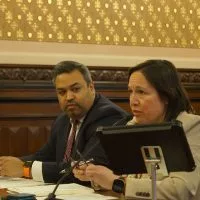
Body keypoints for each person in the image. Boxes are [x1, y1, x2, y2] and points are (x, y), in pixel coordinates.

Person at [73, 60, 200, 200]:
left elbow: (180, 191)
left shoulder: (192, 127)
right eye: (130, 91)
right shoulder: (133, 126)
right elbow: (125, 178)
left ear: (166, 96)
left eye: (141, 92)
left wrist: (117, 183)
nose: (133, 101)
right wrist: (95, 176)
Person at [0, 61, 128, 184]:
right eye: (62, 92)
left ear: (91, 87)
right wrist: (7, 165)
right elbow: (44, 155)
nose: (69, 97)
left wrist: (25, 169)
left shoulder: (109, 116)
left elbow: (83, 169)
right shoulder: (64, 119)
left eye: (76, 89)